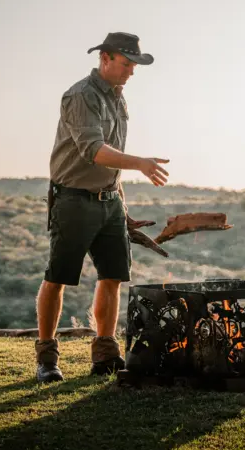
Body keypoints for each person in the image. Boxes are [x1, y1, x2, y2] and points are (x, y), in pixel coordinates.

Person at [34, 32, 170, 383]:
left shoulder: (119, 98)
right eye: (127, 64)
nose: (132, 72)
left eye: (135, 66)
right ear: (105, 58)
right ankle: (47, 359)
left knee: (112, 277)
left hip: (111, 201)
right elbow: (93, 150)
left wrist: (120, 204)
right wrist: (139, 162)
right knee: (57, 278)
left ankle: (106, 356)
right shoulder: (80, 95)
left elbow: (109, 161)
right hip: (72, 200)